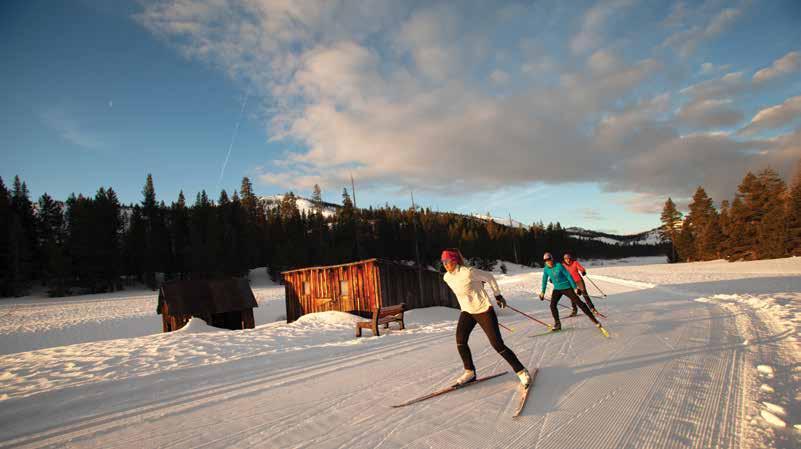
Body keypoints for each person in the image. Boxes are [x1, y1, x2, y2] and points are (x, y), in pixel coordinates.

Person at [441, 249, 531, 387]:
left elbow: (489, 277)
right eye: (443, 261)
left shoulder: (468, 272)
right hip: (467, 311)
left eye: (447, 261)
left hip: (483, 310)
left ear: (454, 260)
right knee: (460, 341)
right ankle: (470, 372)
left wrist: (498, 295)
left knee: (497, 344)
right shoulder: (447, 277)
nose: (445, 264)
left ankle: (521, 371)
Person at [538, 252, 602, 332]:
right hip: (557, 289)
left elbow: (568, 276)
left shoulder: (559, 266)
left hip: (567, 287)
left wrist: (575, 288)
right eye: (545, 260)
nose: (548, 261)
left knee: (579, 303)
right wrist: (542, 292)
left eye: (549, 259)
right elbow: (544, 280)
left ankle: (594, 320)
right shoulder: (546, 269)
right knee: (552, 305)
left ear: (552, 259)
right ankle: (557, 324)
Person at [562, 252, 599, 316]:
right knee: (573, 296)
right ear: (564, 259)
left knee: (585, 294)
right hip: (571, 282)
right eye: (566, 259)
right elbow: (560, 273)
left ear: (570, 258)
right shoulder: (563, 265)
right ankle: (574, 310)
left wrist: (583, 271)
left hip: (579, 281)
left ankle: (592, 308)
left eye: (568, 258)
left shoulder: (575, 263)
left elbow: (581, 268)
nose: (567, 260)